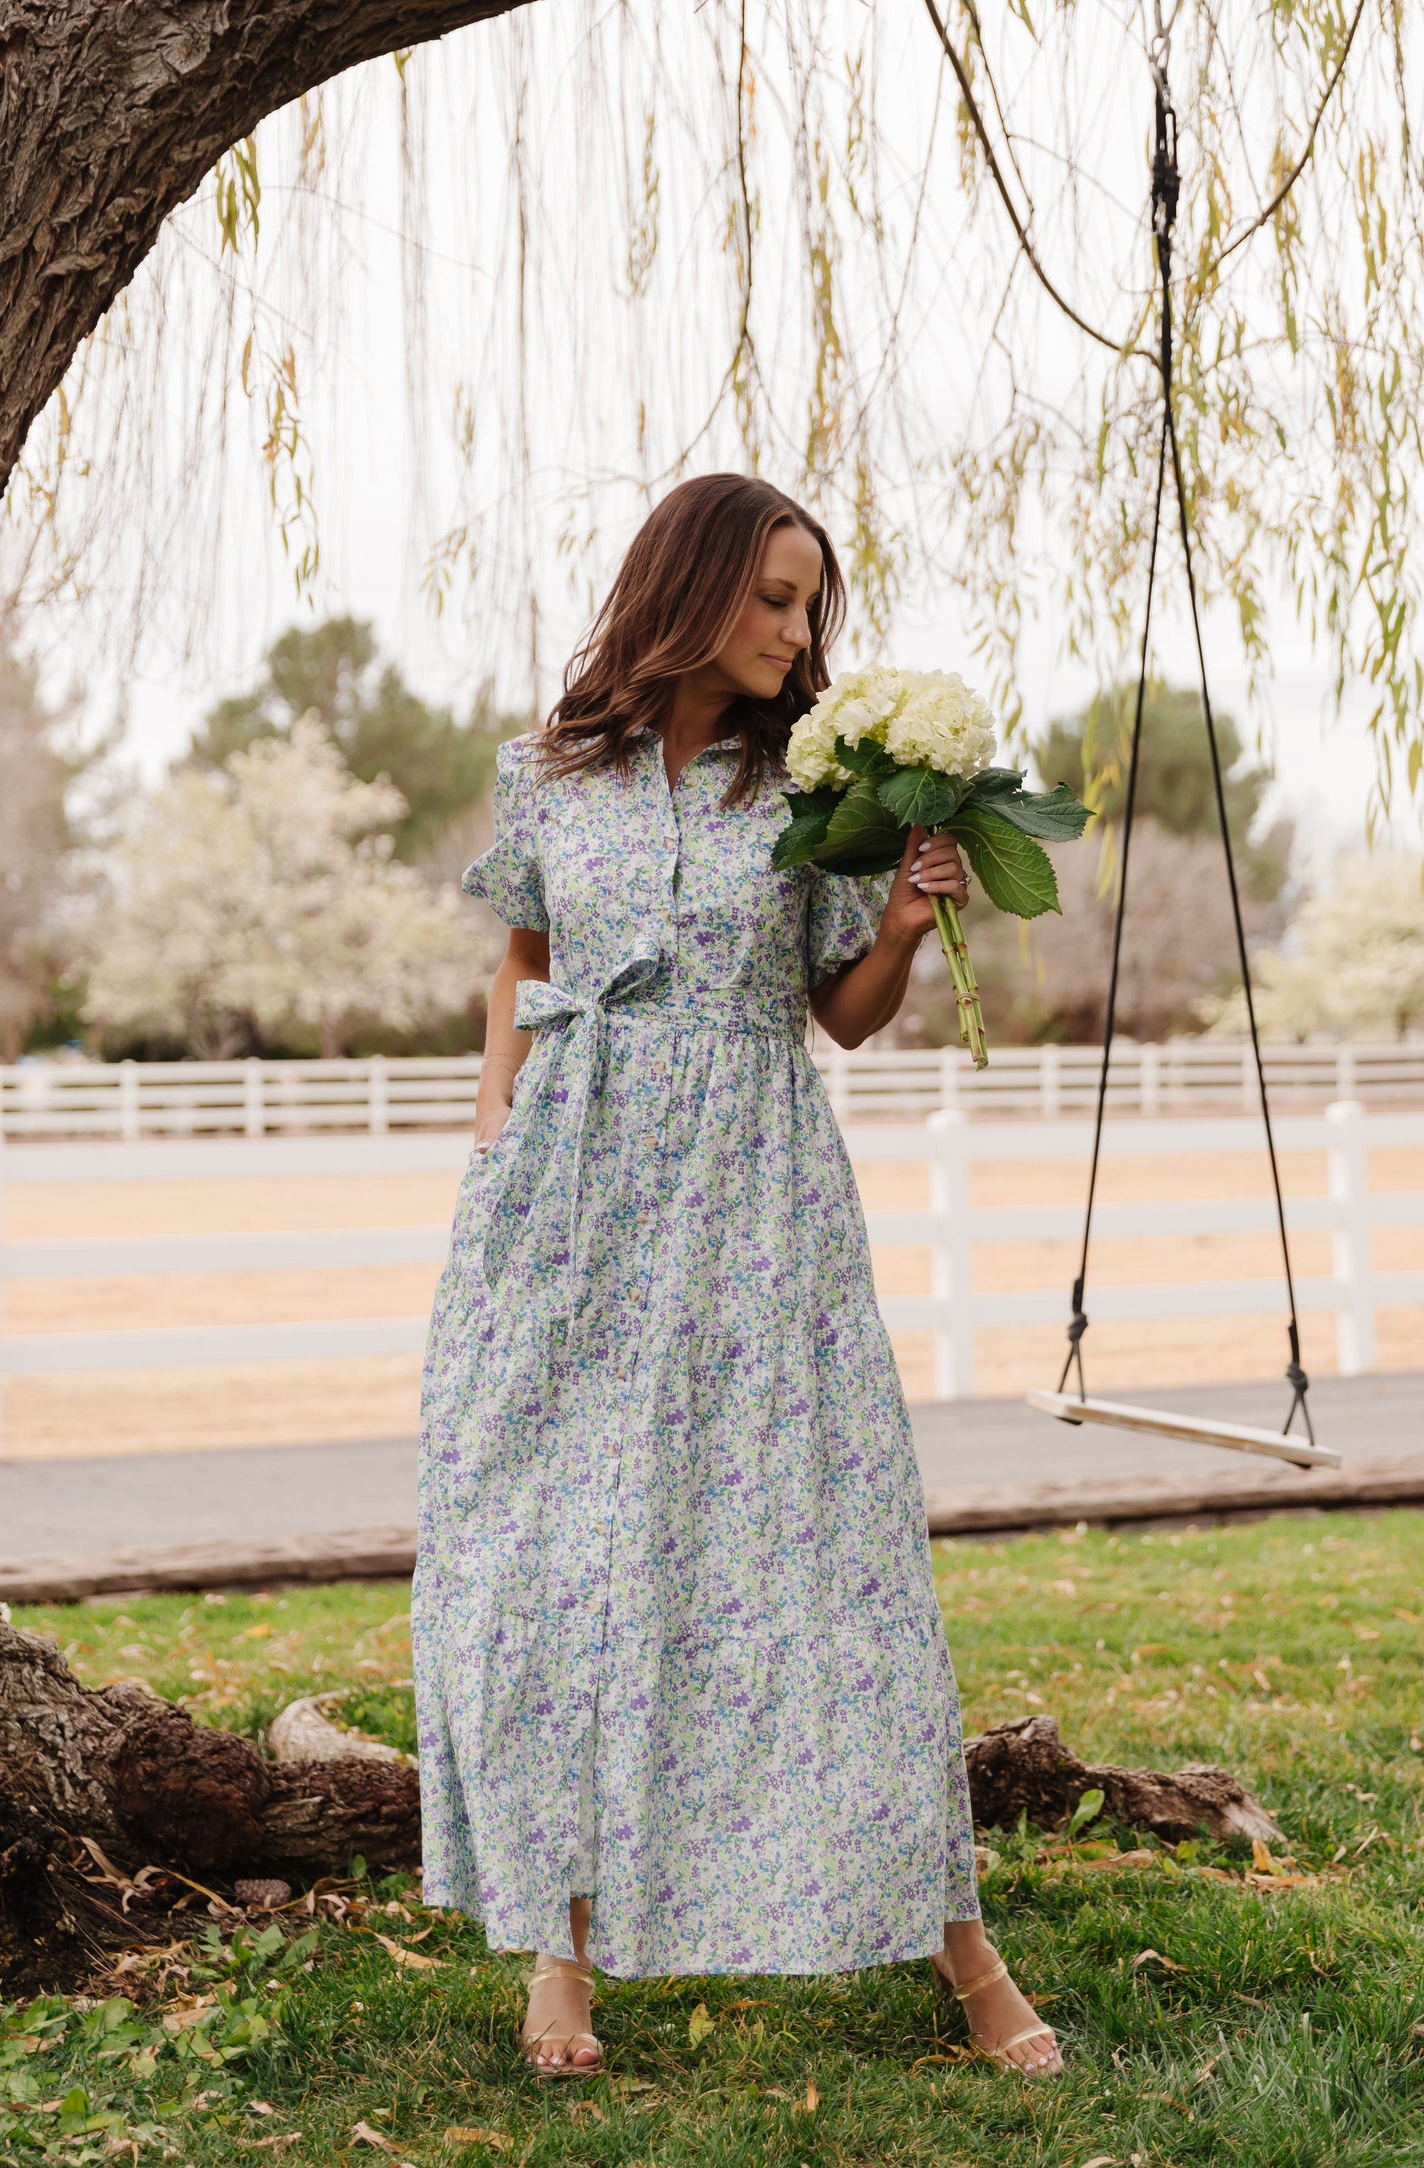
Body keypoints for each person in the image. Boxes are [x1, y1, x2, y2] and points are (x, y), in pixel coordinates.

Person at [412, 473, 1062, 2081]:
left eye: (807, 605)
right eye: (771, 597)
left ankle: (960, 1949)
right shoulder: (550, 775)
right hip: (563, 1201)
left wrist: (908, 917)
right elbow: (524, 962)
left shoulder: (815, 795)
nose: (794, 630)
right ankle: (555, 1959)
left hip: (753, 1202)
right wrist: (495, 1142)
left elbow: (839, 1015)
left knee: (822, 1564)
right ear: (690, 586)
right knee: (557, 1564)